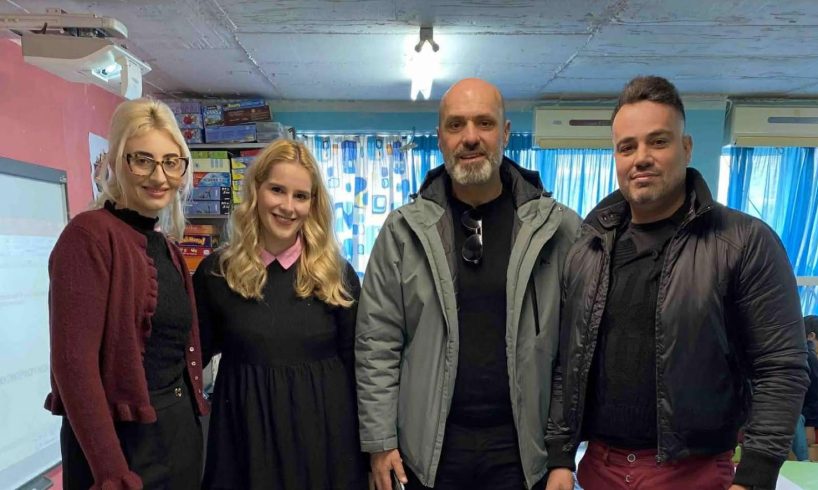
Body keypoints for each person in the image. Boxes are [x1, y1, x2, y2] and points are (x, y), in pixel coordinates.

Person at [544, 75, 808, 490]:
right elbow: (568, 363)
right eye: (627, 147)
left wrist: (756, 475)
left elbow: (781, 367)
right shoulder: (589, 248)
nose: (641, 158)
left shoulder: (743, 242)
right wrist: (560, 457)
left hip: (695, 474)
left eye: (658, 141)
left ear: (686, 148)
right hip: (598, 468)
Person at [355, 78, 582, 490]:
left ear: (506, 132)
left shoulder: (558, 229)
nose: (471, 137)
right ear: (440, 136)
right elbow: (377, 344)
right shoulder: (402, 232)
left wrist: (562, 454)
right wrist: (380, 441)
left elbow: (572, 353)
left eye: (485, 123)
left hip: (523, 451)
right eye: (456, 124)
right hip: (429, 450)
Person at [46, 98, 208, 489]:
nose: (159, 176)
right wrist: (112, 473)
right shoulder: (88, 237)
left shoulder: (166, 247)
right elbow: (74, 365)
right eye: (143, 160)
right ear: (119, 162)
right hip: (121, 448)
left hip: (177, 435)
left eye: (171, 162)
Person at [193, 139, 367, 489]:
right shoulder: (217, 273)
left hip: (325, 441)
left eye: (301, 196)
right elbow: (192, 357)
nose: (288, 206)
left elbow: (359, 366)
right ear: (256, 190)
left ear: (313, 204)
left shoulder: (336, 275)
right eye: (277, 190)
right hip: (245, 439)